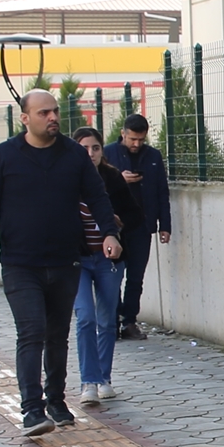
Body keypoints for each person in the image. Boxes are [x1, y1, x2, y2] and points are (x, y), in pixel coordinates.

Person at [0, 90, 123, 437]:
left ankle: (56, 400)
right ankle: (31, 410)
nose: (53, 117)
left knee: (57, 335)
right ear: (25, 118)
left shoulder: (73, 155)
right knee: (31, 332)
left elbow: (98, 197)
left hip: (65, 260)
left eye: (55, 111)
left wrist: (109, 233)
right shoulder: (3, 156)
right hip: (20, 263)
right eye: (44, 113)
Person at [71, 127, 142, 405]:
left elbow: (135, 215)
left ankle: (104, 378)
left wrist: (117, 222)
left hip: (108, 260)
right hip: (77, 258)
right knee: (85, 317)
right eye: (84, 148)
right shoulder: (68, 178)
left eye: (96, 148)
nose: (90, 154)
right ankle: (88, 381)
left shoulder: (112, 178)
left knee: (106, 319)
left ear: (103, 149)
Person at [104, 113, 172, 340]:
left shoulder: (152, 156)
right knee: (113, 275)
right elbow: (95, 188)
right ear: (123, 133)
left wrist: (165, 225)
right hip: (115, 226)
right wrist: (118, 179)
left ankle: (129, 321)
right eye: (132, 139)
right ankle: (112, 320)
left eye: (141, 140)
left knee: (136, 277)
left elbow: (162, 191)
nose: (136, 144)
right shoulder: (108, 154)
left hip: (142, 225)